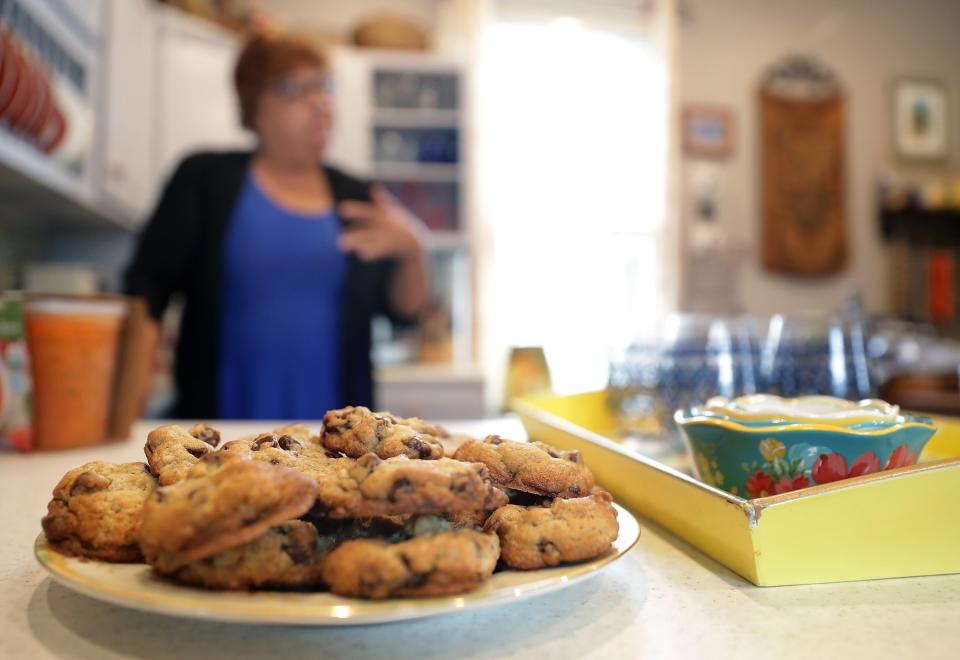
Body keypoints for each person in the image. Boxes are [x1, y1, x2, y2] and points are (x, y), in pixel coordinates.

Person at [125, 33, 429, 419]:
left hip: (335, 446)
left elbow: (403, 310)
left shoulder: (356, 196)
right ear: (255, 107)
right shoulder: (206, 180)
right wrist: (130, 401)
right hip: (222, 438)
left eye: (324, 86)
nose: (321, 102)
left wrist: (413, 251)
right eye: (296, 89)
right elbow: (147, 288)